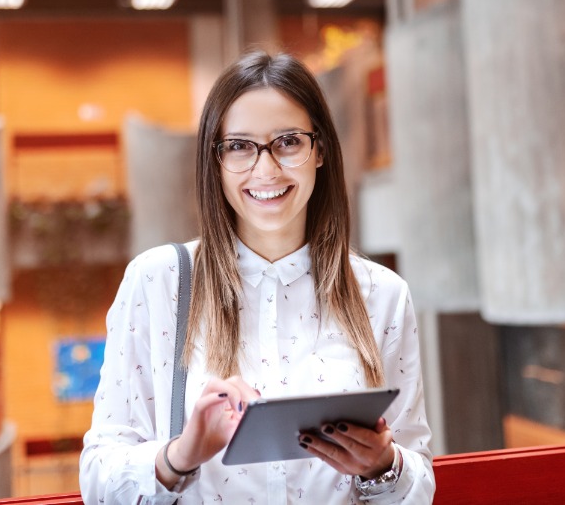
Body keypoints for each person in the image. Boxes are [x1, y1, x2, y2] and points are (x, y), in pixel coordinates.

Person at [80, 51, 435, 504]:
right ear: (216, 159)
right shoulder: (158, 283)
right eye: (240, 146)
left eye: (288, 141)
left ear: (320, 149)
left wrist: (385, 467)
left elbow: (418, 478)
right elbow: (97, 480)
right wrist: (180, 455)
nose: (265, 170)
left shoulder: (382, 295)